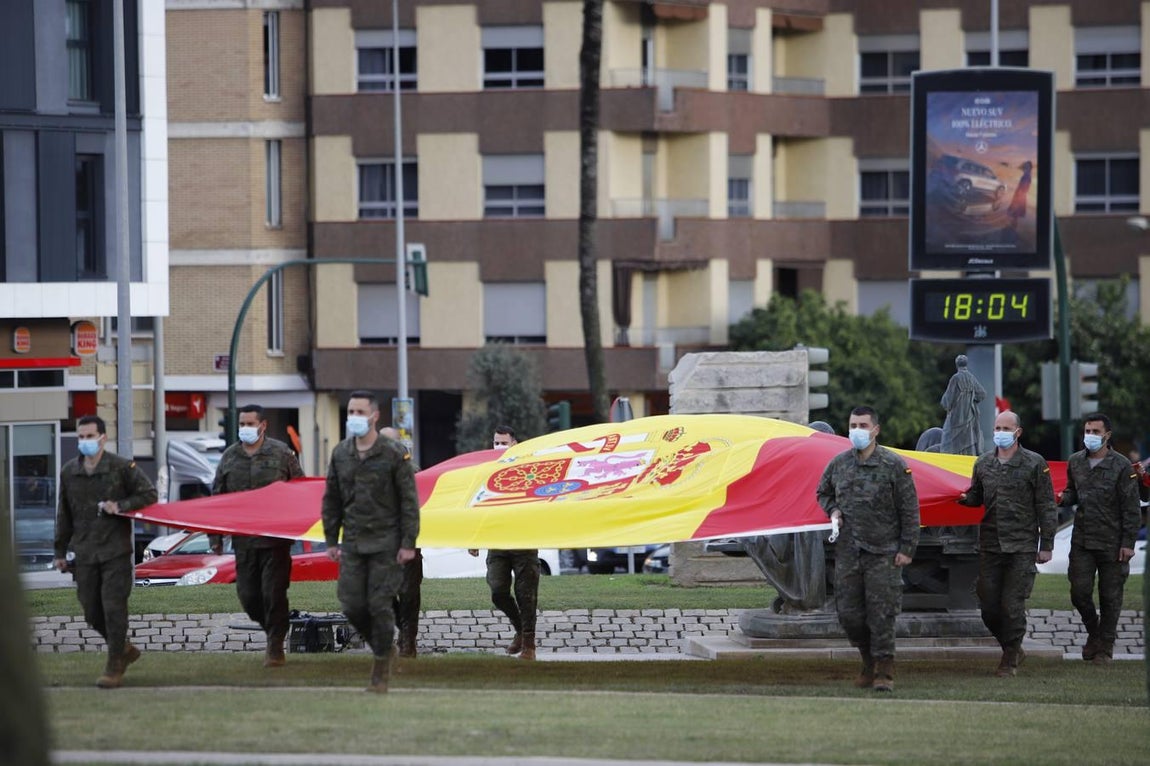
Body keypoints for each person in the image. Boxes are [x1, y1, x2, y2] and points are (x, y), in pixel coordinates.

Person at [816, 406, 919, 692]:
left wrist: (907, 548)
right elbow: (822, 492)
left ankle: (884, 670)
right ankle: (867, 660)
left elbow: (910, 509)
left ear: (875, 430)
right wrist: (833, 509)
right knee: (849, 615)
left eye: (863, 425)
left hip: (884, 552)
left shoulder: (893, 465)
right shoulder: (839, 464)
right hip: (849, 552)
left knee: (881, 614)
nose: (857, 431)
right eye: (853, 425)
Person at [322, 391, 419, 693]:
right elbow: (331, 499)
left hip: (386, 544)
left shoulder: (393, 453)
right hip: (352, 542)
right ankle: (384, 646)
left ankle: (380, 670)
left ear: (374, 416)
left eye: (360, 412)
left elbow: (409, 501)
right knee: (351, 605)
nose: (354, 417)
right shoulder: (341, 453)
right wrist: (331, 539)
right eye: (350, 412)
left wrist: (408, 542)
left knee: (379, 605)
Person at [53, 415, 158, 689]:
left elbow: (149, 494)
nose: (85, 441)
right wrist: (60, 550)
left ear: (102, 438)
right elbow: (64, 513)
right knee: (91, 611)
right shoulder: (69, 472)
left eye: (90, 436)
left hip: (115, 552)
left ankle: (114, 666)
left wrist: (120, 506)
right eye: (81, 437)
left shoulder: (121, 467)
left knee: (113, 608)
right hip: (85, 553)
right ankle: (123, 648)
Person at [958, 410, 1057, 677]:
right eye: (997, 428)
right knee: (988, 607)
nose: (1000, 433)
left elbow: (1046, 505)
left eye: (1006, 428)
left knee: (1012, 606)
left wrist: (1046, 544)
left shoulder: (1034, 463)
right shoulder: (983, 463)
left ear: (1018, 432)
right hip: (991, 545)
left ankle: (1009, 658)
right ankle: (1012, 647)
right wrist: (962, 498)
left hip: (1022, 547)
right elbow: (976, 496)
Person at [210, 404, 304, 667]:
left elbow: (300, 489)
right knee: (248, 596)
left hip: (275, 541)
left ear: (263, 426)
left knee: (273, 594)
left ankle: (275, 645)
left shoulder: (281, 453)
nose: (245, 428)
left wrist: (297, 525)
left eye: (250, 424)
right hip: (243, 541)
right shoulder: (230, 457)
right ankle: (274, 628)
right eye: (242, 424)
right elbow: (217, 498)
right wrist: (215, 537)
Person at [1057, 413, 1142, 664]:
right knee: (1079, 592)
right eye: (1087, 431)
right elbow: (1073, 493)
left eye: (1095, 432)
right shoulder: (1076, 461)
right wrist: (1062, 498)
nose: (1090, 436)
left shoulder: (1122, 465)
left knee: (1110, 598)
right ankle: (1094, 632)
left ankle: (1105, 648)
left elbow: (1131, 507)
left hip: (1113, 542)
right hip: (1082, 540)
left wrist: (1128, 543)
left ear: (1107, 435)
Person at [469, 425, 541, 660]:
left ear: (514, 444)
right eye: (496, 442)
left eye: (503, 442)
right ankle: (520, 629)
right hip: (497, 541)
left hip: (523, 541)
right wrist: (474, 536)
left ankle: (529, 645)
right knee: (498, 591)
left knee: (526, 594)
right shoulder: (487, 471)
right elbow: (479, 503)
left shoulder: (527, 469)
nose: (499, 446)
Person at [380, 426, 423, 659]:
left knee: (408, 595)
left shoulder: (413, 471)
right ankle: (404, 631)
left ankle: (408, 642)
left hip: (407, 543)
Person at [940, 354, 986, 456]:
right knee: (968, 443)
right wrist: (971, 400)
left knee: (946, 443)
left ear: (956, 364)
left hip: (956, 418)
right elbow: (982, 394)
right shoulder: (971, 377)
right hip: (969, 417)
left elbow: (947, 400)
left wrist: (950, 405)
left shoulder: (955, 378)